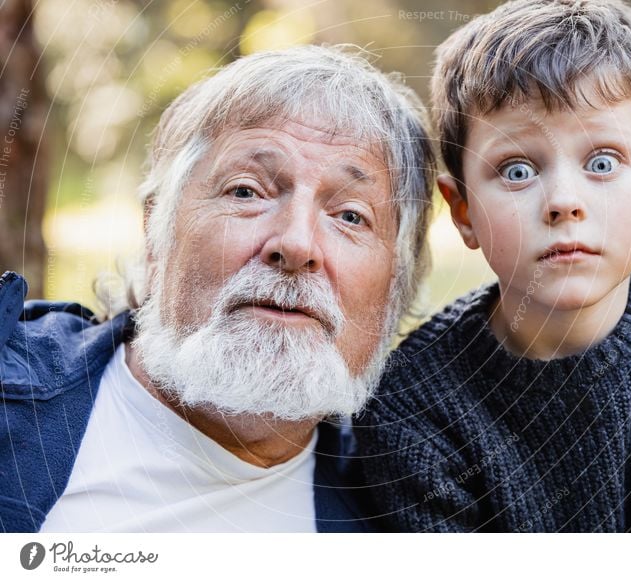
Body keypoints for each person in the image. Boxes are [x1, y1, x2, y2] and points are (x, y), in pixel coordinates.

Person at [355, 0, 631, 532]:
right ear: (463, 212)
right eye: (517, 169)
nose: (563, 201)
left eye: (602, 162)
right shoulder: (412, 404)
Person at [0, 45, 436, 532]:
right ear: (155, 231)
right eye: (246, 191)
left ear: (399, 283)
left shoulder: (415, 514)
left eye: (351, 216)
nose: (295, 244)